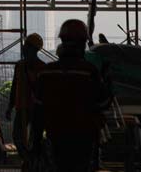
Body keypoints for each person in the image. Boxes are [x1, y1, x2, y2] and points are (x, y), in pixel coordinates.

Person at [34, 19, 110, 172]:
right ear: (82, 43)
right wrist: (108, 81)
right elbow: (103, 103)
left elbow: (37, 109)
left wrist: (36, 142)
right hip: (83, 138)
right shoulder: (89, 71)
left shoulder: (46, 72)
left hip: (55, 137)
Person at [6, 33, 46, 171]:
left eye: (26, 46)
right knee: (17, 136)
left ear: (33, 49)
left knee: (34, 139)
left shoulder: (41, 68)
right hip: (22, 107)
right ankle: (29, 160)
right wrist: (10, 106)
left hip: (35, 109)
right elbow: (14, 86)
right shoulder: (20, 66)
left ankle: (32, 162)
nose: (23, 48)